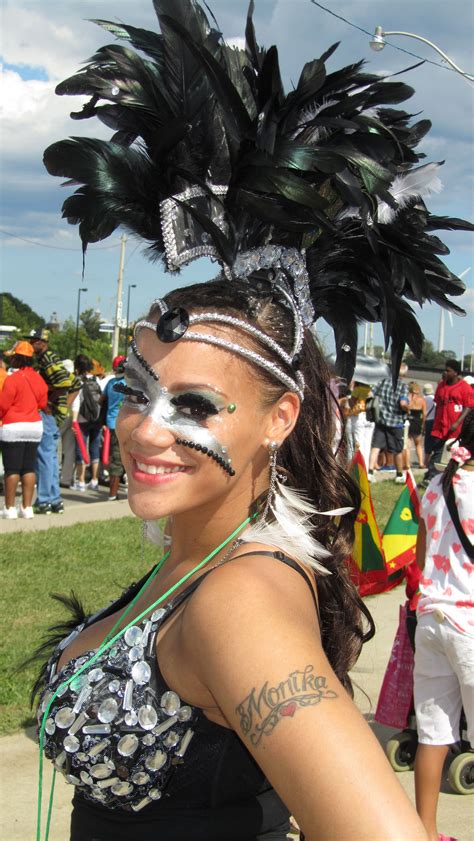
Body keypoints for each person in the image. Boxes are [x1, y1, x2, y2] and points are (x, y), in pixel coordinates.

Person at [34, 2, 471, 838]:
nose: (143, 428)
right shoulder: (201, 557)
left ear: (281, 417)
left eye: (193, 404)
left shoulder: (241, 599)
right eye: (134, 390)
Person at [414, 410, 474, 841]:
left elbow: (419, 559)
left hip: (431, 618)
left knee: (433, 734)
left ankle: (426, 831)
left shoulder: (437, 485)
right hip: (470, 625)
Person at [30, 328, 81, 513]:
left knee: (44, 457)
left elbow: (67, 384)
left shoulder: (47, 359)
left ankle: (44, 500)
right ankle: (54, 498)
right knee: (50, 457)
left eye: (34, 340)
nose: (31, 343)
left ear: (42, 342)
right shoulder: (49, 358)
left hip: (49, 414)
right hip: (55, 414)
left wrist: (51, 400)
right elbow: (75, 383)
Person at [0, 341, 48, 518]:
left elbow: (3, 405)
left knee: (12, 469)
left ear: (16, 359)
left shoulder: (12, 379)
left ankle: (10, 508)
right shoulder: (39, 379)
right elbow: (42, 403)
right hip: (34, 426)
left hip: (13, 426)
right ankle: (27, 508)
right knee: (28, 468)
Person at [423, 359, 474, 485]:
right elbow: (437, 403)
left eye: (448, 370)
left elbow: (469, 406)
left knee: (454, 455)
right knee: (437, 454)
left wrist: (457, 422)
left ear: (456, 373)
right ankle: (431, 477)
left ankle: (445, 478)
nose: (445, 373)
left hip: (456, 430)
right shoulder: (441, 385)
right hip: (440, 428)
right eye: (444, 370)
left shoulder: (464, 388)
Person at [367, 366, 409, 483]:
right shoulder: (402, 386)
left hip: (381, 420)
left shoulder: (383, 382)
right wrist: (408, 409)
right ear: (404, 375)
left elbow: (370, 394)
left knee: (376, 447)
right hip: (396, 422)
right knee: (397, 450)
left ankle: (370, 472)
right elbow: (403, 403)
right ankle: (399, 474)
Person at [71, 354, 104, 491]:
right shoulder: (97, 380)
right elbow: (102, 400)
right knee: (95, 449)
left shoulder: (77, 381)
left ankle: (81, 481)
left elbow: (76, 403)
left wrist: (74, 420)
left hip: (82, 420)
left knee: (81, 449)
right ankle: (95, 480)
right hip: (97, 420)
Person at [102, 354, 126, 500]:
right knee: (118, 459)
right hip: (122, 425)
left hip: (110, 423)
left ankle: (113, 491)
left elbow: (101, 400)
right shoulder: (128, 383)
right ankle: (113, 494)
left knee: (114, 457)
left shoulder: (110, 383)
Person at [404, 381, 426, 469]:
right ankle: (421, 463)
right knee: (419, 444)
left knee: (408, 445)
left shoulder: (406, 399)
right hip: (417, 422)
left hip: (408, 421)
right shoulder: (421, 400)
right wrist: (423, 424)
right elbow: (424, 414)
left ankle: (407, 464)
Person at [422, 382, 436, 467]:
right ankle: (431, 460)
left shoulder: (423, 398)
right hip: (434, 420)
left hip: (426, 420)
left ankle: (426, 461)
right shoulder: (434, 399)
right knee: (433, 440)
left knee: (427, 441)